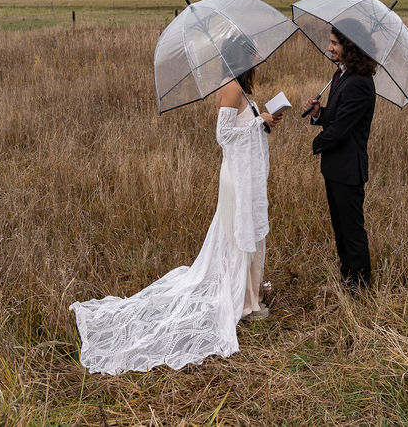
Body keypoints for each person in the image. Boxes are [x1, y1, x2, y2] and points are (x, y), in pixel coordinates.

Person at [70, 65, 283, 374]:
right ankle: (245, 301)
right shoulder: (231, 87)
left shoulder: (239, 87)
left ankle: (250, 294)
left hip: (245, 174)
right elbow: (222, 136)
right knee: (238, 232)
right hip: (236, 176)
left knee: (246, 231)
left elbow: (240, 128)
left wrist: (263, 122)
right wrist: (257, 123)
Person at [304, 25, 377, 291]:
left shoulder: (360, 83)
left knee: (352, 230)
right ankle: (347, 278)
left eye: (335, 42)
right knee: (340, 227)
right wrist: (317, 113)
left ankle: (359, 289)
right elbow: (334, 117)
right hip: (334, 167)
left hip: (348, 169)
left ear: (351, 46)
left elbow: (341, 130)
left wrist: (317, 142)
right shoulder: (341, 75)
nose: (330, 47)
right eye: (330, 41)